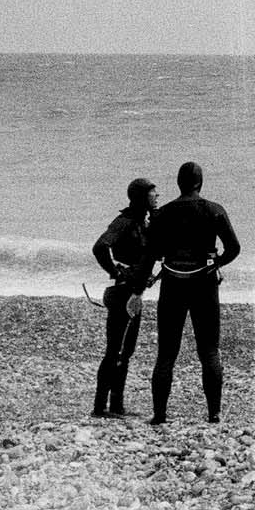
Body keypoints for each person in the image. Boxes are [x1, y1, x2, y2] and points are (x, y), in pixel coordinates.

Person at [145, 160, 241, 424]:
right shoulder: (214, 210)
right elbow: (234, 248)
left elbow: (152, 253)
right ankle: (214, 413)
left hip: (173, 283)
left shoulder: (162, 214)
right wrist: (217, 263)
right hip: (204, 284)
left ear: (179, 184)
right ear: (200, 183)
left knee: (166, 352)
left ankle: (160, 415)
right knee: (209, 350)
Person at [90, 177, 159, 418]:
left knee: (125, 351)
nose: (157, 197)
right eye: (153, 194)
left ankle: (116, 406)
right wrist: (115, 271)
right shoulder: (125, 222)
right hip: (123, 292)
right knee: (115, 351)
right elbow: (100, 247)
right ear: (142, 198)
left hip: (134, 291)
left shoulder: (142, 222)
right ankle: (100, 407)